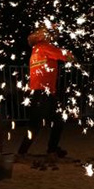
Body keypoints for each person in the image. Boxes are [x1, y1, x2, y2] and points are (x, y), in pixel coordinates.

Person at [17, 24, 75, 159]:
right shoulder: (45, 47)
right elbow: (63, 56)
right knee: (38, 124)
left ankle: (51, 149)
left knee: (56, 121)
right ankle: (22, 152)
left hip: (41, 92)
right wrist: (71, 56)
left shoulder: (36, 50)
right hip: (43, 92)